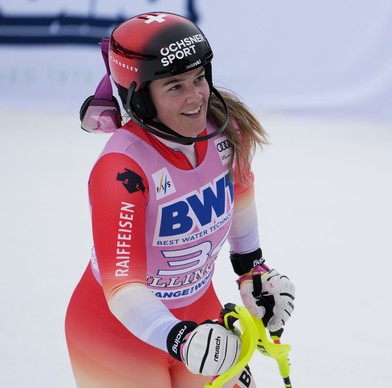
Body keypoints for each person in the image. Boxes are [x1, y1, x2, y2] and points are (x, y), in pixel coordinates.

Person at [65, 11, 295, 388]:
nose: (196, 97)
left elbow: (241, 211)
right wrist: (181, 339)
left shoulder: (226, 132)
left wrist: (253, 272)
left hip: (199, 316)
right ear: (139, 98)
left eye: (199, 78)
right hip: (115, 336)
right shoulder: (121, 169)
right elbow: (122, 287)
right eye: (174, 86)